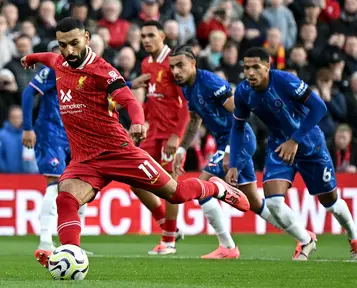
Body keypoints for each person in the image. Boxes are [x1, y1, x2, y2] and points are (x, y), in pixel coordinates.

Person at [21, 17, 249, 269]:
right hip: (85, 159)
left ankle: (215, 188)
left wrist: (138, 121)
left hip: (118, 151)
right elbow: (49, 58)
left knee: (176, 194)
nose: (69, 51)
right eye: (63, 45)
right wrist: (32, 57)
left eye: (74, 43)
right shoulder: (60, 61)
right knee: (65, 199)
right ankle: (69, 255)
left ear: (87, 38)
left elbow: (128, 99)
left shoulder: (102, 70)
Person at [226, 47, 357, 261]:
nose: (251, 72)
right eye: (246, 68)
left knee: (331, 204)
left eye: (256, 67)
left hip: (310, 144)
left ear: (268, 67)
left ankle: (354, 237)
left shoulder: (284, 81)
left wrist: (295, 140)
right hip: (279, 146)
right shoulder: (244, 92)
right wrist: (234, 163)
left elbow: (319, 108)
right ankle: (305, 240)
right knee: (273, 202)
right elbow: (237, 128)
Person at [170, 45, 280, 259]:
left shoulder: (211, 83)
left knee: (202, 186)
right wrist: (182, 148)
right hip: (226, 143)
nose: (176, 71)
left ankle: (228, 246)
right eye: (173, 67)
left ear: (193, 64)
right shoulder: (187, 88)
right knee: (255, 203)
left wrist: (231, 149)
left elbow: (240, 115)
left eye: (180, 65)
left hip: (237, 139)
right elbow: (194, 121)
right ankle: (303, 236)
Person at [21, 42, 90, 253]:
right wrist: (27, 128)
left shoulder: (82, 71)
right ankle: (44, 240)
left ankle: (73, 244)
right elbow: (27, 93)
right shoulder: (52, 70)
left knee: (81, 185)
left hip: (73, 135)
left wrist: (130, 84)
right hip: (50, 133)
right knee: (54, 184)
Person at [132, 20, 190, 255]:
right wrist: (138, 122)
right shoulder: (146, 63)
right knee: (135, 179)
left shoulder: (173, 64)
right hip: (152, 131)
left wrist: (177, 136)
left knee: (171, 187)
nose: (146, 40)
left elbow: (186, 103)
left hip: (171, 135)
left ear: (163, 36)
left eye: (151, 35)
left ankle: (168, 241)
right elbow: (151, 100)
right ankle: (167, 225)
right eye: (143, 36)